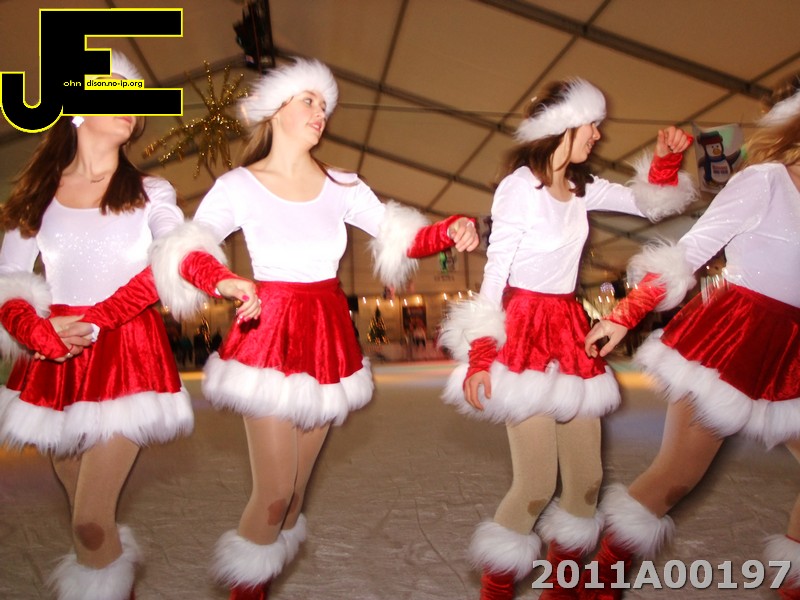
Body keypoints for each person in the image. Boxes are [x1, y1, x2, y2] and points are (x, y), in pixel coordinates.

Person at [148, 57, 479, 599]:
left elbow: (399, 235)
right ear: (275, 110)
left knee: (294, 500)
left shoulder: (342, 185)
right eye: (308, 100)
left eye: (325, 105)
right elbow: (187, 248)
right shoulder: (239, 186)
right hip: (268, 334)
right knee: (274, 496)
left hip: (327, 338)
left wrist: (449, 230)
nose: (320, 112)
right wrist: (223, 279)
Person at [438, 78, 696, 600]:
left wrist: (665, 162)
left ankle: (561, 591)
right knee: (535, 485)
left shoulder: (582, 187)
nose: (598, 135)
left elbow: (646, 205)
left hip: (569, 330)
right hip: (525, 333)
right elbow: (496, 271)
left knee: (586, 482)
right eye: (590, 125)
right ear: (562, 127)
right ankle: (496, 591)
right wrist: (481, 353)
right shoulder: (519, 189)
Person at [582, 73, 800, 599]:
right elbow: (688, 253)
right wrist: (626, 313)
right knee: (676, 476)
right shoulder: (764, 181)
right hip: (734, 336)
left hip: (793, 350)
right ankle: (596, 584)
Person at [0, 51, 195, 600]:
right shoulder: (37, 196)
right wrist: (37, 331)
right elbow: (9, 281)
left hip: (127, 356)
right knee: (86, 522)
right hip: (56, 362)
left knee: (90, 519)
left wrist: (100, 316)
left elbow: (173, 258)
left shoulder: (151, 193)